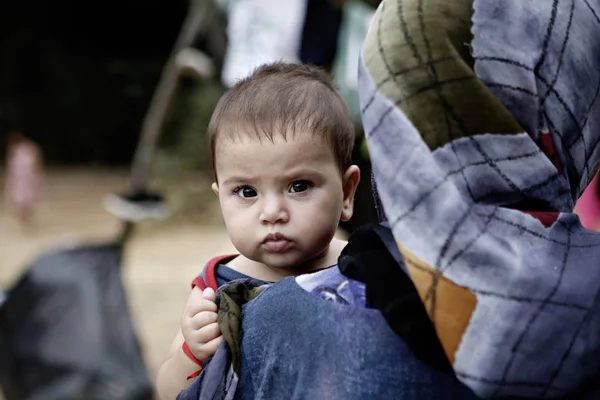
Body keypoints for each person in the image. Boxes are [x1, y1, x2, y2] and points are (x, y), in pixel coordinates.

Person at [156, 62, 361, 399]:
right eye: (247, 192)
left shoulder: (362, 269)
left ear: (347, 192)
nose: (272, 213)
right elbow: (167, 392)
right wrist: (190, 354)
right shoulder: (216, 290)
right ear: (221, 197)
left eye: (299, 186)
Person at [3, 131, 44, 227]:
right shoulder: (14, 151)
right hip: (18, 178)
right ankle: (24, 218)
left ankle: (27, 217)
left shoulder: (30, 149)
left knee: (28, 198)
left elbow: (35, 164)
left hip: (28, 178)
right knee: (19, 199)